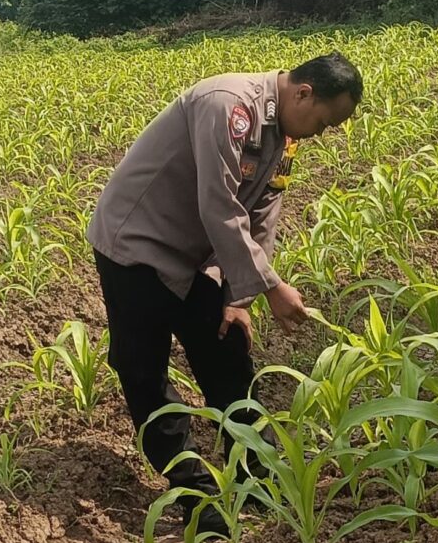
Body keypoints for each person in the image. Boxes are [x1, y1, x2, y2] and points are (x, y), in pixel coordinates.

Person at [89, 54, 363, 509]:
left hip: (197, 256)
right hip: (138, 247)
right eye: (325, 121)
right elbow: (218, 205)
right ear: (303, 93)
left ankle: (257, 474)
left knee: (226, 352)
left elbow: (262, 214)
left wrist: (241, 297)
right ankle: (196, 496)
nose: (323, 133)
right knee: (144, 372)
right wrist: (273, 287)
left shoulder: (285, 135)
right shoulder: (229, 105)